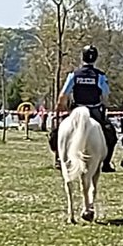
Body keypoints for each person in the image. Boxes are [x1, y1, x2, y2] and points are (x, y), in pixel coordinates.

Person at [48, 44, 118, 173]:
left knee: (57, 132)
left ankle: (59, 158)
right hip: (94, 111)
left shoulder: (73, 75)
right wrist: (104, 106)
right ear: (95, 58)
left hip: (76, 110)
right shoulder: (100, 76)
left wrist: (61, 107)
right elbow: (105, 95)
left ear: (82, 57)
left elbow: (63, 95)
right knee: (110, 134)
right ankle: (106, 163)